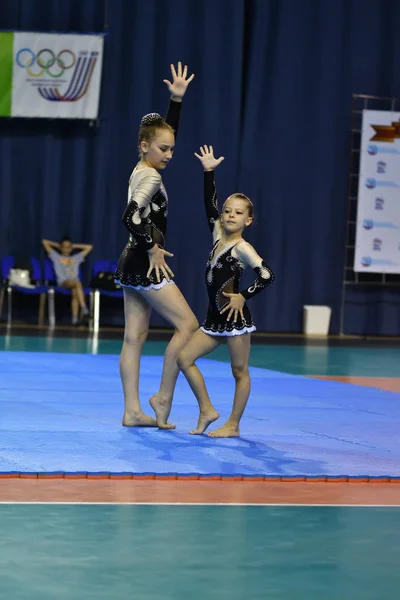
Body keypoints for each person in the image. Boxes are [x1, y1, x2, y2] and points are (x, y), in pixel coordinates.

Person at [114, 62, 198, 430]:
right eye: (163, 149)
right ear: (144, 146)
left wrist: (175, 101)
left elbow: (161, 136)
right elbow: (130, 217)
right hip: (144, 262)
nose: (169, 154)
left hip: (129, 261)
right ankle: (163, 395)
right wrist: (151, 247)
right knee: (189, 325)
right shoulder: (149, 176)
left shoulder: (142, 164)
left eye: (172, 150)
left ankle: (132, 410)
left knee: (135, 336)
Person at [178, 145, 275, 437]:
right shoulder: (218, 235)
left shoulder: (243, 247)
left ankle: (233, 424)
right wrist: (209, 173)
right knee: (184, 359)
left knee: (238, 371)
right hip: (213, 318)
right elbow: (209, 205)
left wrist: (244, 295)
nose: (230, 215)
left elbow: (267, 274)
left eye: (238, 213)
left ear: (248, 221)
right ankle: (207, 409)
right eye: (227, 211)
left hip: (235, 320)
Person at [42, 236, 93, 325]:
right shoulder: (56, 257)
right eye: (64, 247)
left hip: (74, 284)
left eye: (68, 247)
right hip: (63, 282)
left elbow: (89, 247)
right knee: (77, 283)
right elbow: (44, 242)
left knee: (75, 291)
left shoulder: (76, 258)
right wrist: (58, 246)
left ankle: (74, 319)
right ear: (61, 247)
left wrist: (73, 246)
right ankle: (84, 309)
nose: (66, 249)